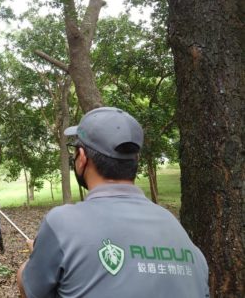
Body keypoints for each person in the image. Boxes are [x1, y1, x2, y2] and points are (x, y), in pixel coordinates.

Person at [17, 107, 209, 298]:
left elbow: (30, 290)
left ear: (82, 158)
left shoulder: (62, 223)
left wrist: (34, 260)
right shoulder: (175, 226)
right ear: (136, 161)